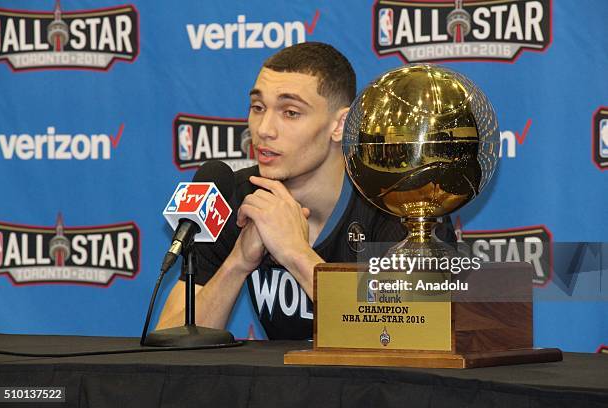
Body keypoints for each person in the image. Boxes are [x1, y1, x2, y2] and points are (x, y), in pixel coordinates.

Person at [157, 42, 453, 339]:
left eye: (290, 112)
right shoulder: (236, 197)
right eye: (258, 108)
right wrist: (237, 263)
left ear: (340, 125)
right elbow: (170, 341)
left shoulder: (399, 205)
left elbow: (410, 335)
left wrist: (296, 254)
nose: (264, 129)